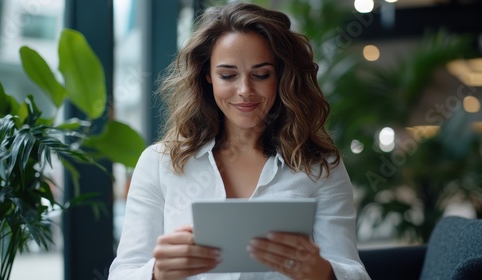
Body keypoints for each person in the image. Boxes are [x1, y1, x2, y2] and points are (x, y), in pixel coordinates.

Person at [109, 2, 370, 280]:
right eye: (228, 75)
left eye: (261, 75)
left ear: (281, 75)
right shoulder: (159, 164)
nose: (245, 90)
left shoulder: (319, 167)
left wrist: (324, 273)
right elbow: (123, 273)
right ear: (207, 75)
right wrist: (157, 273)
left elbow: (355, 273)